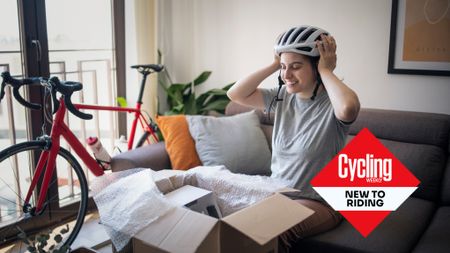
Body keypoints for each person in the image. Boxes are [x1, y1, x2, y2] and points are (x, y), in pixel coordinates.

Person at [227, 25, 360, 251]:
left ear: (317, 67)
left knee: (269, 233)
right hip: (276, 193)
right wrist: (273, 64)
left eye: (296, 67)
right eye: (283, 67)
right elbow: (235, 94)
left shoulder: (332, 105)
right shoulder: (281, 99)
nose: (286, 75)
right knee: (229, 225)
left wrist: (327, 70)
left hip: (318, 201)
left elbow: (348, 109)